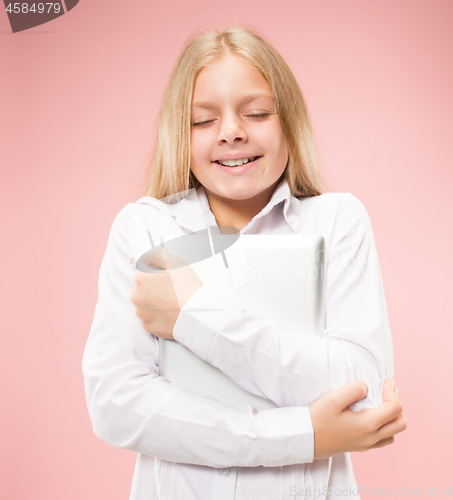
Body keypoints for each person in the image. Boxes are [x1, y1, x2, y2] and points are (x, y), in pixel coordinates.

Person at [82, 24, 407, 500]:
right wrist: (303, 435)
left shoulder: (338, 220)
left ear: (289, 123)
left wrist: (191, 316)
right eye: (202, 120)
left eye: (256, 113)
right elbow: (118, 405)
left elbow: (364, 393)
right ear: (180, 131)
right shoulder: (145, 228)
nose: (232, 132)